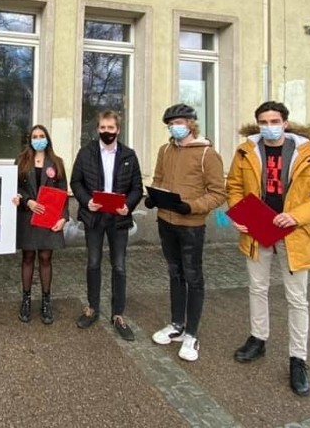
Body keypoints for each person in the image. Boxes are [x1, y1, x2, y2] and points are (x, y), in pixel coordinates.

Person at [227, 101, 310, 397]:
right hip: (257, 229)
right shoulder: (245, 152)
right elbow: (234, 186)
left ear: (285, 123)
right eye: (263, 121)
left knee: (297, 298)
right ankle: (257, 339)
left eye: (274, 120)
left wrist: (296, 215)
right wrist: (239, 213)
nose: (268, 126)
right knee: (256, 287)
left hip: (294, 233)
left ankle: (298, 358)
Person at [146, 104, 226, 362]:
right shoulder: (165, 150)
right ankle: (176, 324)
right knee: (175, 273)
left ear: (191, 123)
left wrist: (191, 206)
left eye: (179, 122)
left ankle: (192, 333)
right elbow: (159, 180)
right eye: (170, 124)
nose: (174, 127)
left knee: (193, 277)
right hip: (166, 221)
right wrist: (153, 197)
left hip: (191, 225)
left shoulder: (207, 154)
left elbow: (218, 193)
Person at [70, 110, 143, 341]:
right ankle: (92, 308)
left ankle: (118, 314)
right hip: (94, 217)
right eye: (103, 128)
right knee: (93, 263)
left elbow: (137, 187)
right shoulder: (86, 153)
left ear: (118, 130)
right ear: (97, 129)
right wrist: (86, 201)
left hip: (119, 218)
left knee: (119, 266)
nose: (106, 132)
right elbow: (76, 181)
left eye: (111, 128)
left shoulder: (129, 155)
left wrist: (128, 206)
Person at [14, 124, 68, 325]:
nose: (38, 139)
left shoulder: (57, 162)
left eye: (42, 136)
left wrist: (64, 217)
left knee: (46, 258)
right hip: (28, 216)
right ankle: (26, 299)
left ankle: (46, 300)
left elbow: (63, 191)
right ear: (30, 139)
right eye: (35, 136)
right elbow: (16, 185)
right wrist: (28, 200)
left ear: (47, 139)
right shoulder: (21, 161)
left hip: (49, 217)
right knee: (28, 257)